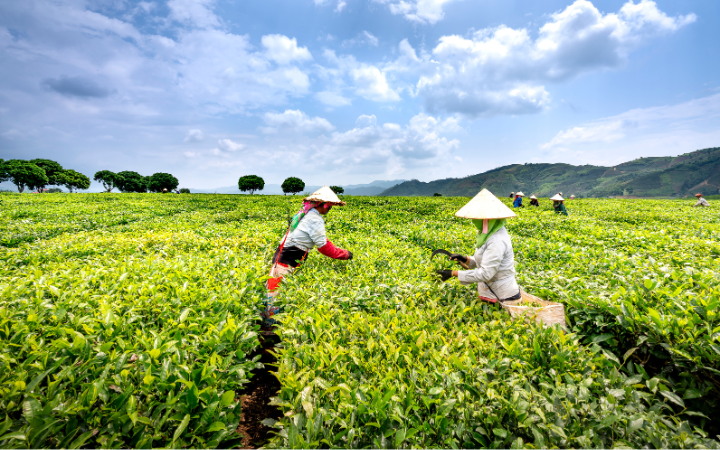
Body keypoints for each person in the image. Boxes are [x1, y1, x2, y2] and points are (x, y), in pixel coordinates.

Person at [263, 186, 353, 331]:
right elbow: (323, 247)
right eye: (329, 207)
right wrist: (345, 254)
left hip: (281, 257)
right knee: (276, 296)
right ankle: (271, 331)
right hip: (287, 261)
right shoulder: (315, 219)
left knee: (272, 292)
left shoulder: (305, 214)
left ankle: (269, 325)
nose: (329, 210)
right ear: (323, 205)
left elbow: (320, 239)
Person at [435, 189, 521, 304]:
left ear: (486, 220)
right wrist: (466, 259)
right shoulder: (487, 233)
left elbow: (486, 273)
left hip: (503, 296)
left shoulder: (497, 240)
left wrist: (453, 273)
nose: (474, 221)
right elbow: (486, 260)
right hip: (489, 292)